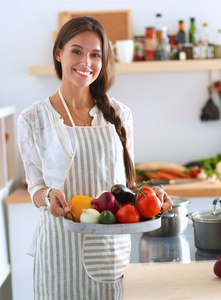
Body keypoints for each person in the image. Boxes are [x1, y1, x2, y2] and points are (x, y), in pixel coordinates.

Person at [17, 16, 173, 300]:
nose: (85, 61)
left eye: (95, 54)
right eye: (76, 51)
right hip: (58, 249)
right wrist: (48, 195)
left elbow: (126, 183)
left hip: (108, 249)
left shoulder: (120, 115)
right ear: (58, 53)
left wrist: (152, 195)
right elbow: (35, 187)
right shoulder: (32, 118)